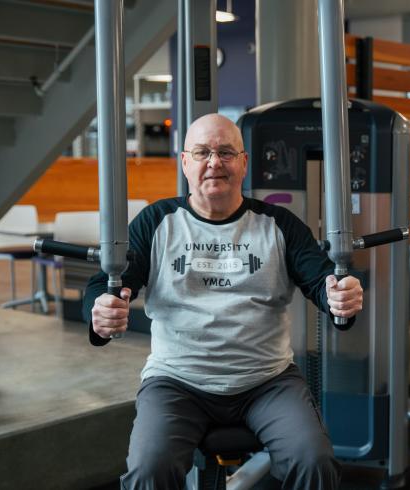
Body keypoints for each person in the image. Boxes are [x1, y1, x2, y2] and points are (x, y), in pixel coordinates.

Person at [84, 113, 364, 490]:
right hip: (177, 380)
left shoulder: (278, 224)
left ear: (244, 163)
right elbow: (107, 283)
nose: (214, 162)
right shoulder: (157, 222)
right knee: (149, 469)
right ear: (185, 163)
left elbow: (324, 282)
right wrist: (100, 312)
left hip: (267, 381)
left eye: (226, 152)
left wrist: (341, 299)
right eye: (202, 152)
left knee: (313, 461)